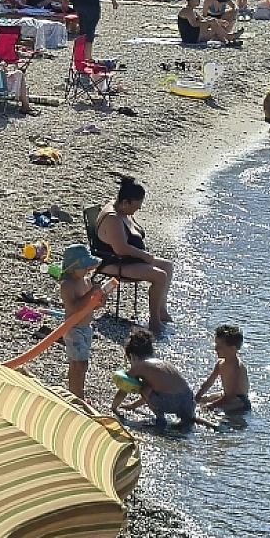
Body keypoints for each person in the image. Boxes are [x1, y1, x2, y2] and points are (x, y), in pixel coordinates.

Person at [94, 176, 174, 334]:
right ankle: (154, 321)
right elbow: (121, 249)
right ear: (125, 203)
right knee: (160, 276)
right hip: (114, 263)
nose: (137, 210)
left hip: (128, 260)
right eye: (136, 207)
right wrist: (145, 257)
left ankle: (161, 311)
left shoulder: (122, 209)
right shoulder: (113, 218)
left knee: (167, 266)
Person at [111, 328, 201, 428]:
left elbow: (124, 389)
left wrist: (114, 408)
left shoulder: (139, 366)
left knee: (143, 386)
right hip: (188, 401)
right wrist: (133, 406)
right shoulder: (163, 363)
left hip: (170, 402)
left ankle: (160, 419)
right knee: (186, 422)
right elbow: (158, 392)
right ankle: (189, 419)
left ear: (133, 356)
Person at [56, 244, 113, 399]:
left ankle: (75, 395)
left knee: (80, 364)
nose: (87, 271)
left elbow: (91, 306)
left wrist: (101, 298)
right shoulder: (67, 285)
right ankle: (77, 397)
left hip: (86, 327)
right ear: (72, 267)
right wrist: (90, 294)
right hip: (73, 328)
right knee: (79, 363)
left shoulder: (86, 281)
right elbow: (73, 307)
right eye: (83, 267)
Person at [195, 324, 251, 413]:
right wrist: (196, 398)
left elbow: (231, 396)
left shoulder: (237, 368)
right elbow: (209, 383)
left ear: (232, 349)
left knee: (207, 409)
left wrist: (211, 406)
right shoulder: (220, 363)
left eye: (219, 346)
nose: (215, 349)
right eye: (215, 344)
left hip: (240, 401)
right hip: (226, 395)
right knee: (204, 399)